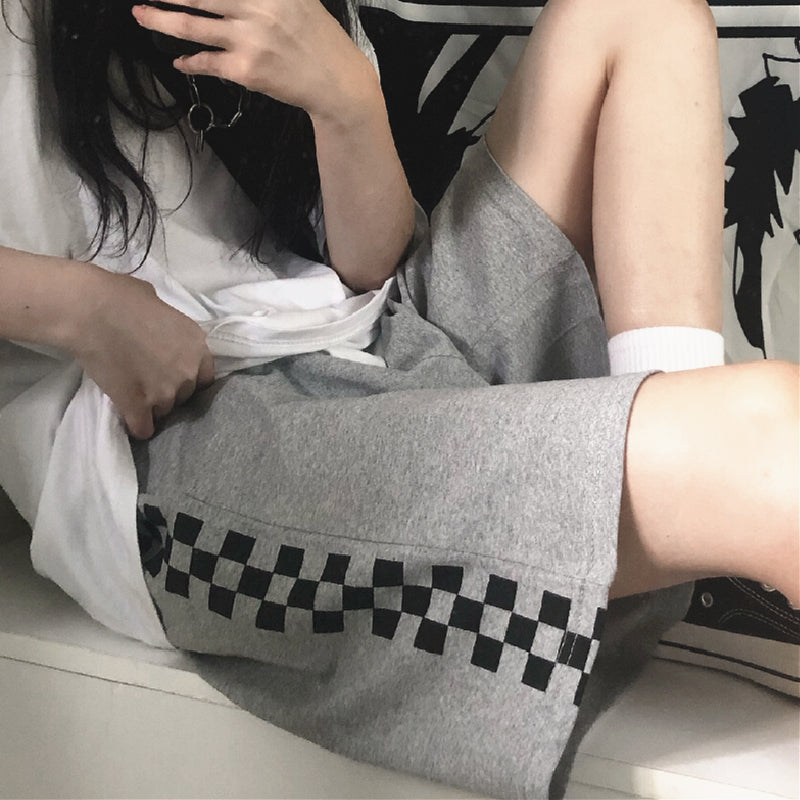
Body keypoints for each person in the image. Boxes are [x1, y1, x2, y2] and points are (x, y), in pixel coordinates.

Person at [0, 0, 796, 797]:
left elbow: (368, 264)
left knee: (641, 10)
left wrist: (344, 98)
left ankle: (681, 559)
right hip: (171, 439)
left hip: (370, 333)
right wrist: (80, 307)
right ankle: (696, 526)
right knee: (768, 446)